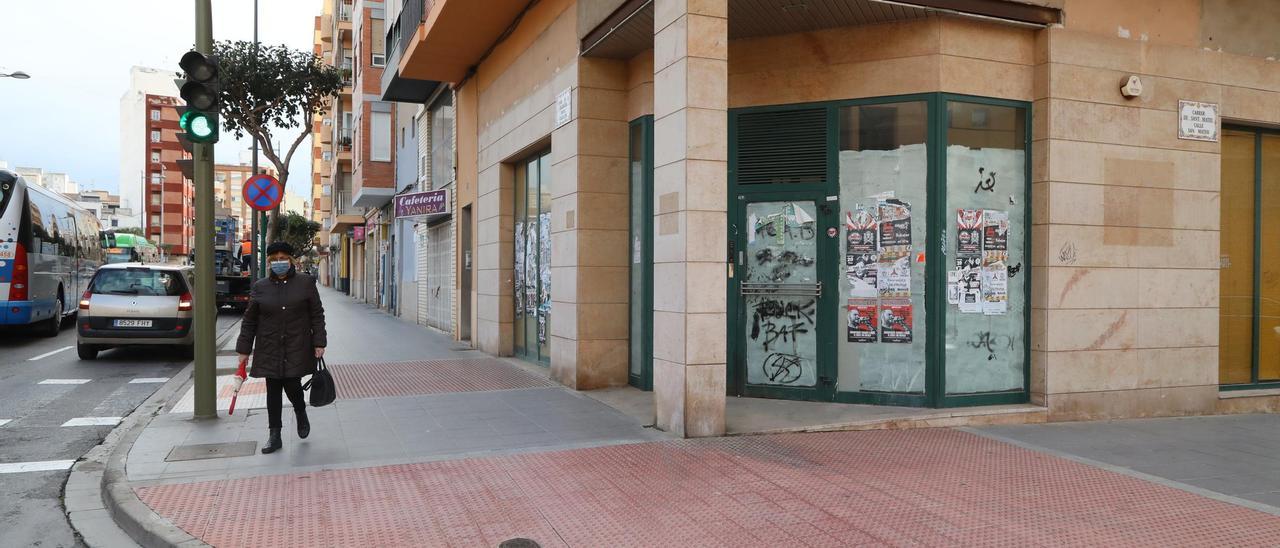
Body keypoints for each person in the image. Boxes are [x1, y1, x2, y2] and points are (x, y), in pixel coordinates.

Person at [236, 241, 327, 454]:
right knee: (273, 389)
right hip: (269, 344)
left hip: (297, 342)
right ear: (269, 262)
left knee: (292, 384)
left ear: (291, 260)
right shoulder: (260, 287)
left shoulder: (305, 283)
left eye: (283, 258)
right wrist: (244, 350)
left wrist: (319, 342)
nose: (279, 262)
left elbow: (317, 313)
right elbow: (250, 320)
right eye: (274, 259)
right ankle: (274, 435)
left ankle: (299, 410)